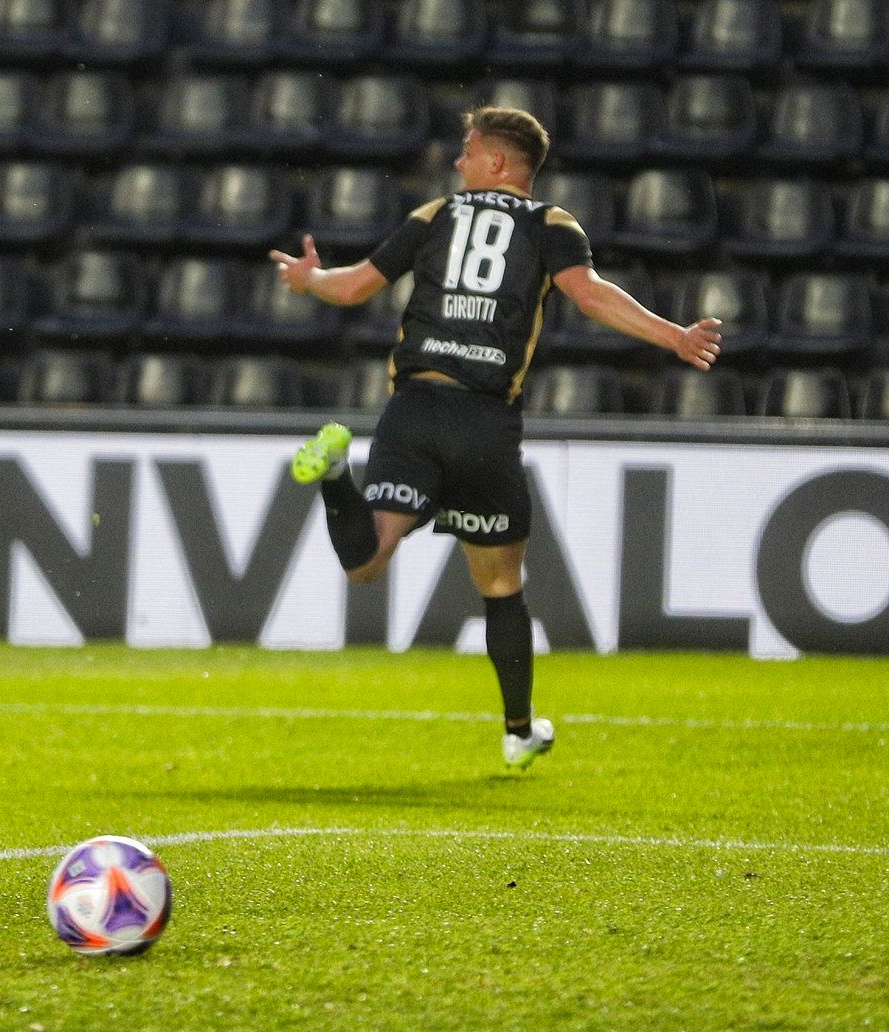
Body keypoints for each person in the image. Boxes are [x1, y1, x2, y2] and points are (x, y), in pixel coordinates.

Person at [271, 106, 722, 769]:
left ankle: (336, 473)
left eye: (468, 151)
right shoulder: (551, 224)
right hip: (483, 420)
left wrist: (309, 279)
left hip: (414, 407)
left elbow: (357, 286)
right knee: (501, 582)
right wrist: (675, 337)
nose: (458, 163)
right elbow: (591, 296)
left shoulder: (436, 216)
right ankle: (518, 730)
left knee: (365, 561)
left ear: (500, 162)